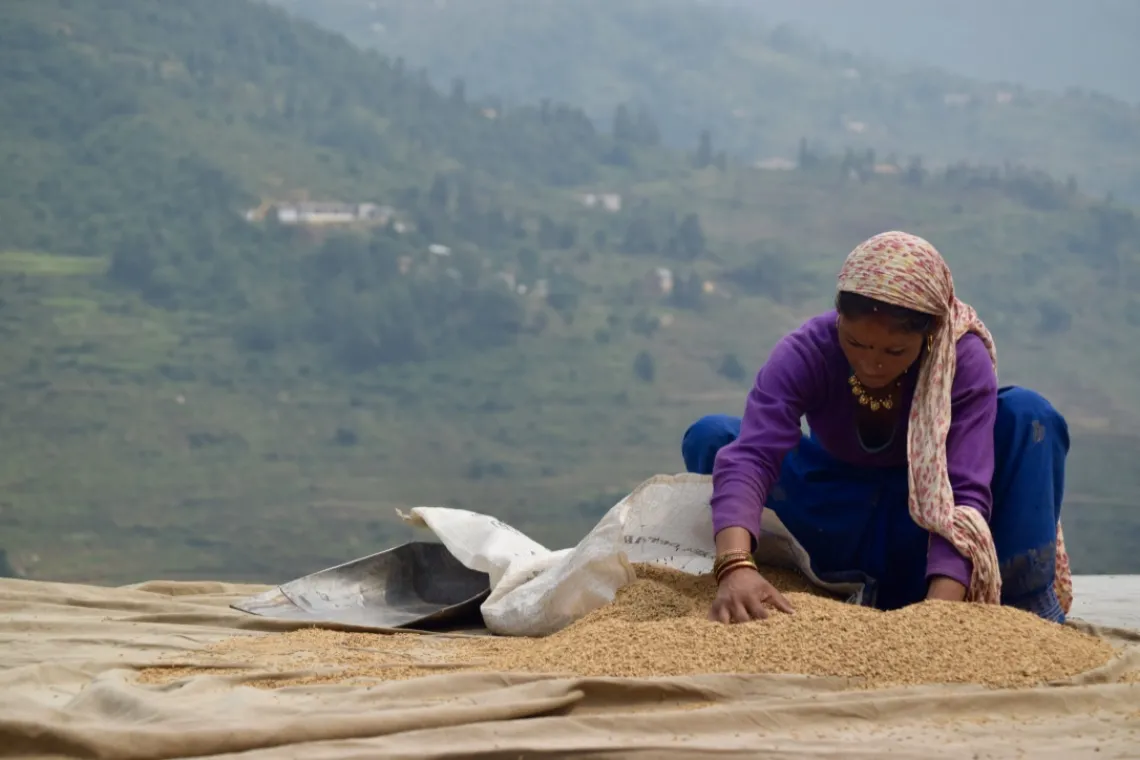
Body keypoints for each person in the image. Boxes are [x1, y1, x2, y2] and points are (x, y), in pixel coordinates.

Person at [681, 231, 1072, 626]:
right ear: (838, 321)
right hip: (833, 512)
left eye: (895, 351)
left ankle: (1024, 610)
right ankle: (781, 582)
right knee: (714, 436)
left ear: (930, 332)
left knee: (1028, 415)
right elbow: (754, 454)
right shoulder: (808, 350)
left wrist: (939, 616)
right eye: (856, 344)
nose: (872, 364)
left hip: (919, 525)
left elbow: (963, 493)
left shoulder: (959, 357)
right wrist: (735, 567)